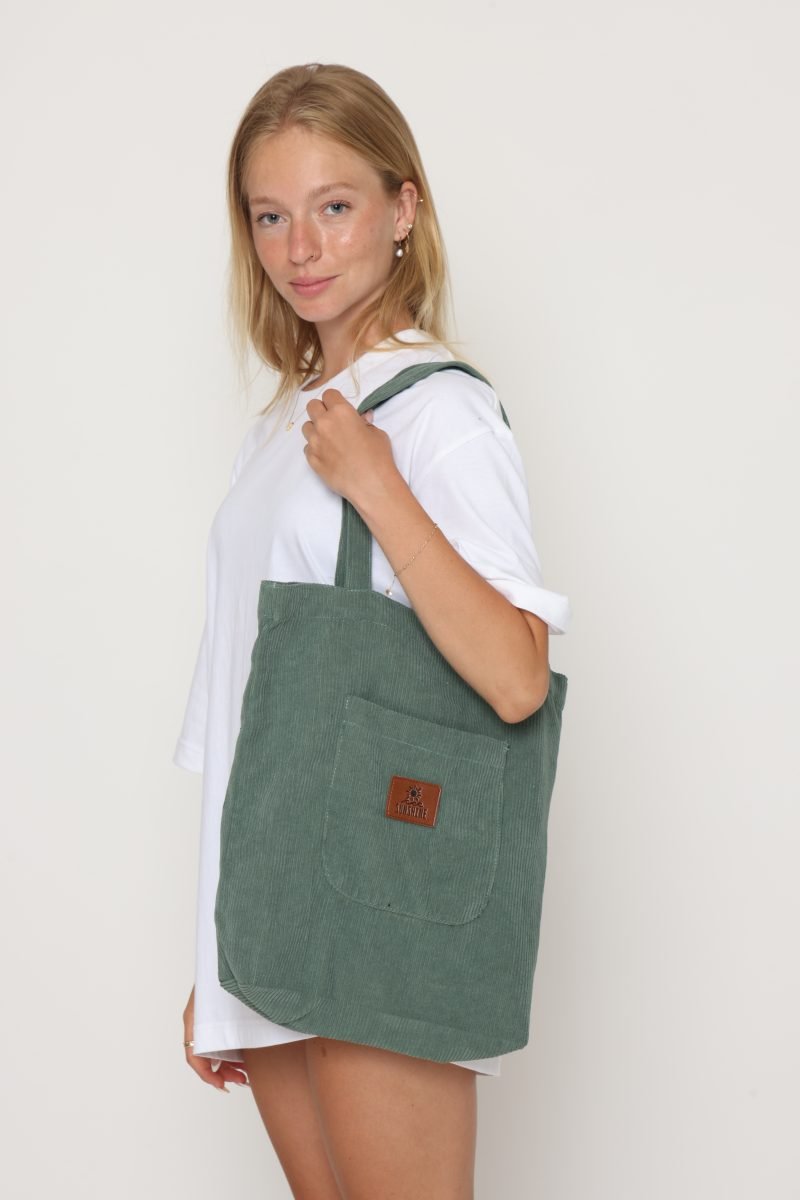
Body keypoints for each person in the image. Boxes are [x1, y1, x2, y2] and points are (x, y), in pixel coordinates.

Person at [173, 62, 571, 1199]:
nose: (300, 247)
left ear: (404, 209)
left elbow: (515, 678)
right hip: (275, 899)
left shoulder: (439, 410)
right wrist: (218, 951)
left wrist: (380, 490)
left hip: (376, 893)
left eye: (334, 206)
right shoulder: (279, 429)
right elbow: (245, 716)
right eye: (270, 216)